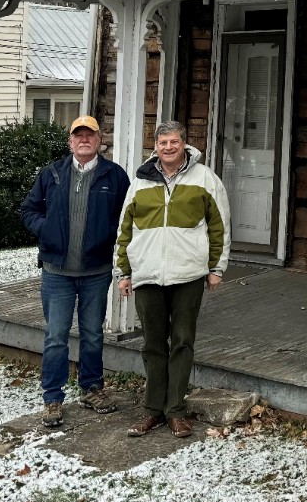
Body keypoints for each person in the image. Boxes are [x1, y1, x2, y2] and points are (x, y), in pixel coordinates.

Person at [116, 120, 230, 438]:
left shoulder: (205, 178)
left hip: (188, 274)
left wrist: (216, 267)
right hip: (148, 274)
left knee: (182, 342)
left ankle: (176, 411)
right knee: (153, 344)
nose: (169, 147)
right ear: (156, 146)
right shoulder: (140, 181)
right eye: (163, 142)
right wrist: (123, 272)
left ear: (184, 144)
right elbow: (125, 229)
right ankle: (152, 410)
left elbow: (220, 225)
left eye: (174, 142)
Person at [20, 115, 130, 429]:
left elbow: (126, 216)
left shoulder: (114, 176)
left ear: (99, 141)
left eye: (90, 135)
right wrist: (47, 229)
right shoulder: (52, 174)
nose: (84, 140)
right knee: (56, 336)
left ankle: (91, 389)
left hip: (96, 271)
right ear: (70, 142)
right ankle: (52, 397)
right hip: (57, 272)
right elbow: (28, 210)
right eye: (78, 135)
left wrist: (109, 238)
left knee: (93, 334)